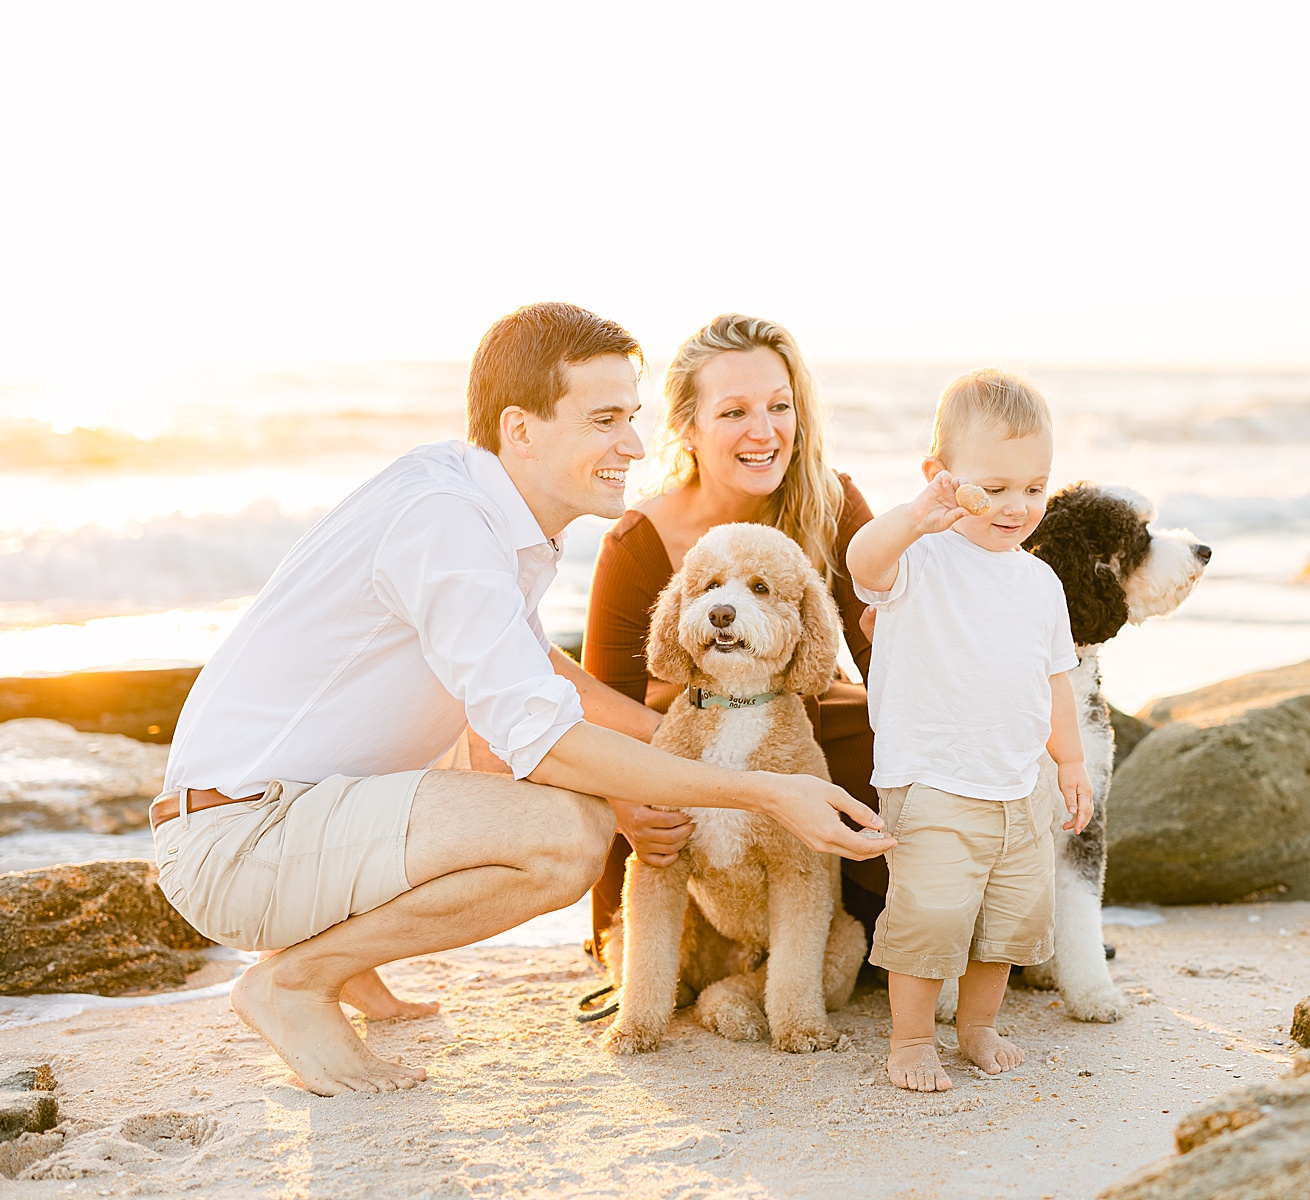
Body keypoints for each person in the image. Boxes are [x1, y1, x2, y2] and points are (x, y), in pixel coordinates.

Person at [151, 302, 892, 1097]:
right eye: (604, 420)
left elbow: (546, 674)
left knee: (513, 759)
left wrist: (688, 737)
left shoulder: (491, 514)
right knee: (565, 833)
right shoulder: (448, 527)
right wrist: (757, 789)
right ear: (521, 429)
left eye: (632, 418)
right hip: (237, 838)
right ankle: (294, 981)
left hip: (298, 814)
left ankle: (343, 961)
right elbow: (544, 737)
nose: (634, 446)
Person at [580, 313, 886, 948]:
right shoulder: (639, 542)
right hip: (682, 760)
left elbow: (883, 663)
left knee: (885, 739)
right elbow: (607, 705)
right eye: (733, 412)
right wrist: (630, 800)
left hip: (805, 729)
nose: (763, 431)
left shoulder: (832, 506)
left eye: (779, 406)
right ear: (687, 429)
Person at [845, 369, 1094, 1092]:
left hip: (1019, 785)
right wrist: (913, 518)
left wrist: (1070, 764)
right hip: (931, 779)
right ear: (942, 479)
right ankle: (913, 1038)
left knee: (1009, 921)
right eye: (997, 487)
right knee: (930, 917)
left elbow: (1053, 678)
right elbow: (863, 560)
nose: (1018, 506)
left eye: (1035, 488)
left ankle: (979, 1025)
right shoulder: (919, 557)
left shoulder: (1039, 583)